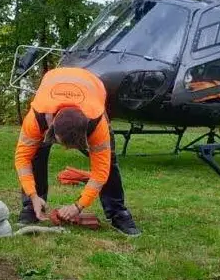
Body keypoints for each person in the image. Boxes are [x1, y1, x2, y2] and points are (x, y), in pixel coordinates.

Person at [14, 67, 141, 236]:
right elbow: (23, 159)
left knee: (108, 161)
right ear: (51, 129)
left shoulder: (97, 124)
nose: (66, 150)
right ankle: (32, 206)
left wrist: (78, 206)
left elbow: (100, 172)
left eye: (72, 146)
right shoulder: (37, 117)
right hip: (54, 85)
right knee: (35, 155)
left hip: (91, 87)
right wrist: (32, 194)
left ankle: (118, 213)